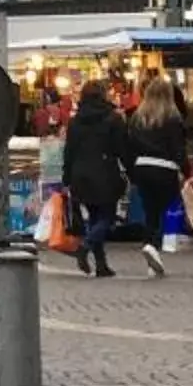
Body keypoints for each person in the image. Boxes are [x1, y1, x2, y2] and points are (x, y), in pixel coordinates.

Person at [60, 82, 137, 279]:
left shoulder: (75, 122)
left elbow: (69, 152)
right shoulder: (113, 119)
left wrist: (66, 178)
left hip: (80, 174)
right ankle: (85, 246)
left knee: (95, 217)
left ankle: (101, 265)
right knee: (107, 218)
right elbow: (123, 149)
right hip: (105, 173)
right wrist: (131, 171)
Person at [124, 74, 191, 281]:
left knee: (150, 211)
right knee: (164, 211)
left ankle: (150, 254)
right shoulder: (173, 118)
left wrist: (132, 171)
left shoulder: (137, 117)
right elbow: (178, 148)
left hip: (142, 167)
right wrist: (186, 170)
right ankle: (152, 246)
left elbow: (130, 146)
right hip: (165, 168)